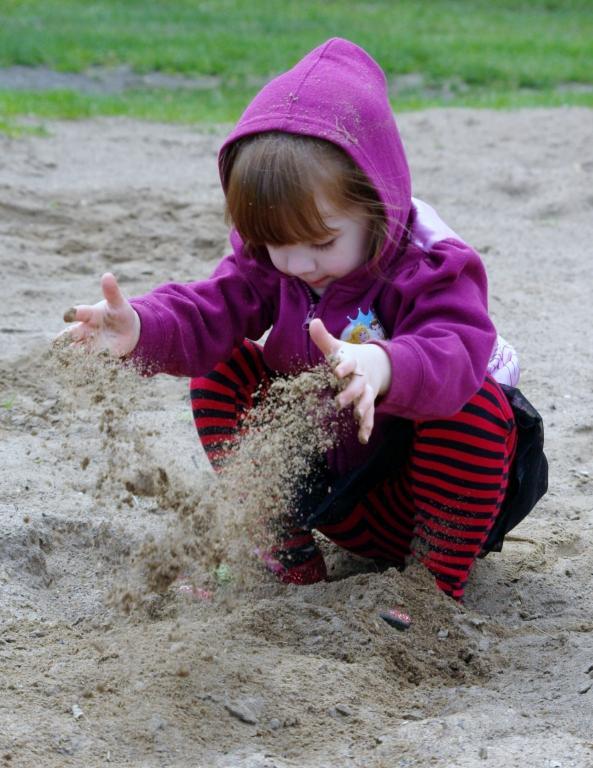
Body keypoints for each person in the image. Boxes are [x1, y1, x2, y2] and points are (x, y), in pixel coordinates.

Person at [63, 38, 547, 601]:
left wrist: (382, 365)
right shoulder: (277, 262)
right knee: (222, 369)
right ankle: (285, 549)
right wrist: (141, 328)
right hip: (333, 492)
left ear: (378, 205)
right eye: (271, 243)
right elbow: (210, 306)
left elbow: (456, 350)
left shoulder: (430, 265)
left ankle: (429, 591)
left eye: (320, 242)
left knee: (477, 404)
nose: (294, 263)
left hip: (431, 497)